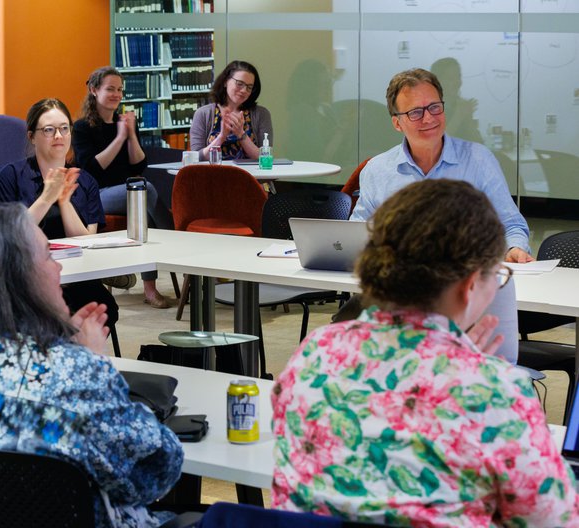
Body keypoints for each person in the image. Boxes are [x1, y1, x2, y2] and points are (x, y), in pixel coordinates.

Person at [272, 179, 579, 526]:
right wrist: (466, 372)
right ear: (470, 285)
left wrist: (452, 362)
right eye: (498, 274)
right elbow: (554, 520)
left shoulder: (314, 353)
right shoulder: (492, 390)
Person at [0, 203, 185, 527]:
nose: (59, 270)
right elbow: (157, 470)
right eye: (49, 257)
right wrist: (94, 362)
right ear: (18, 278)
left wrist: (60, 348)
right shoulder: (76, 373)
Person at [349, 68, 530, 363]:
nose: (429, 118)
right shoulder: (378, 170)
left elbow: (510, 223)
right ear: (397, 123)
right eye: (416, 112)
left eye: (434, 107)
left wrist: (515, 247)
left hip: (466, 302)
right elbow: (358, 230)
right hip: (399, 303)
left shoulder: (479, 160)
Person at [0, 97, 119, 332]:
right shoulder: (13, 176)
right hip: (24, 277)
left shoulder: (84, 181)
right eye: (49, 130)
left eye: (64, 128)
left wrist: (64, 200)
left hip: (76, 276)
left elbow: (87, 242)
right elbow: (2, 236)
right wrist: (47, 197)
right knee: (48, 318)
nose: (58, 136)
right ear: (32, 136)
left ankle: (74, 361)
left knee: (104, 308)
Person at [73, 66, 174, 308]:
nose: (117, 94)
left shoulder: (124, 122)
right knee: (145, 190)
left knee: (144, 212)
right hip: (94, 197)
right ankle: (177, 236)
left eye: (119, 89)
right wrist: (119, 137)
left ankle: (150, 289)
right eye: (110, 89)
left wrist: (130, 136)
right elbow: (92, 170)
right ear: (94, 90)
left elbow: (138, 165)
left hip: (124, 193)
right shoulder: (82, 128)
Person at [189, 60, 273, 161]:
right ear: (225, 81)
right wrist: (222, 136)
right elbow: (197, 157)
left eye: (249, 87)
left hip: (250, 175)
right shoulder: (203, 114)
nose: (244, 91)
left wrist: (241, 135)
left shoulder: (261, 114)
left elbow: (265, 159)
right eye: (239, 84)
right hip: (214, 175)